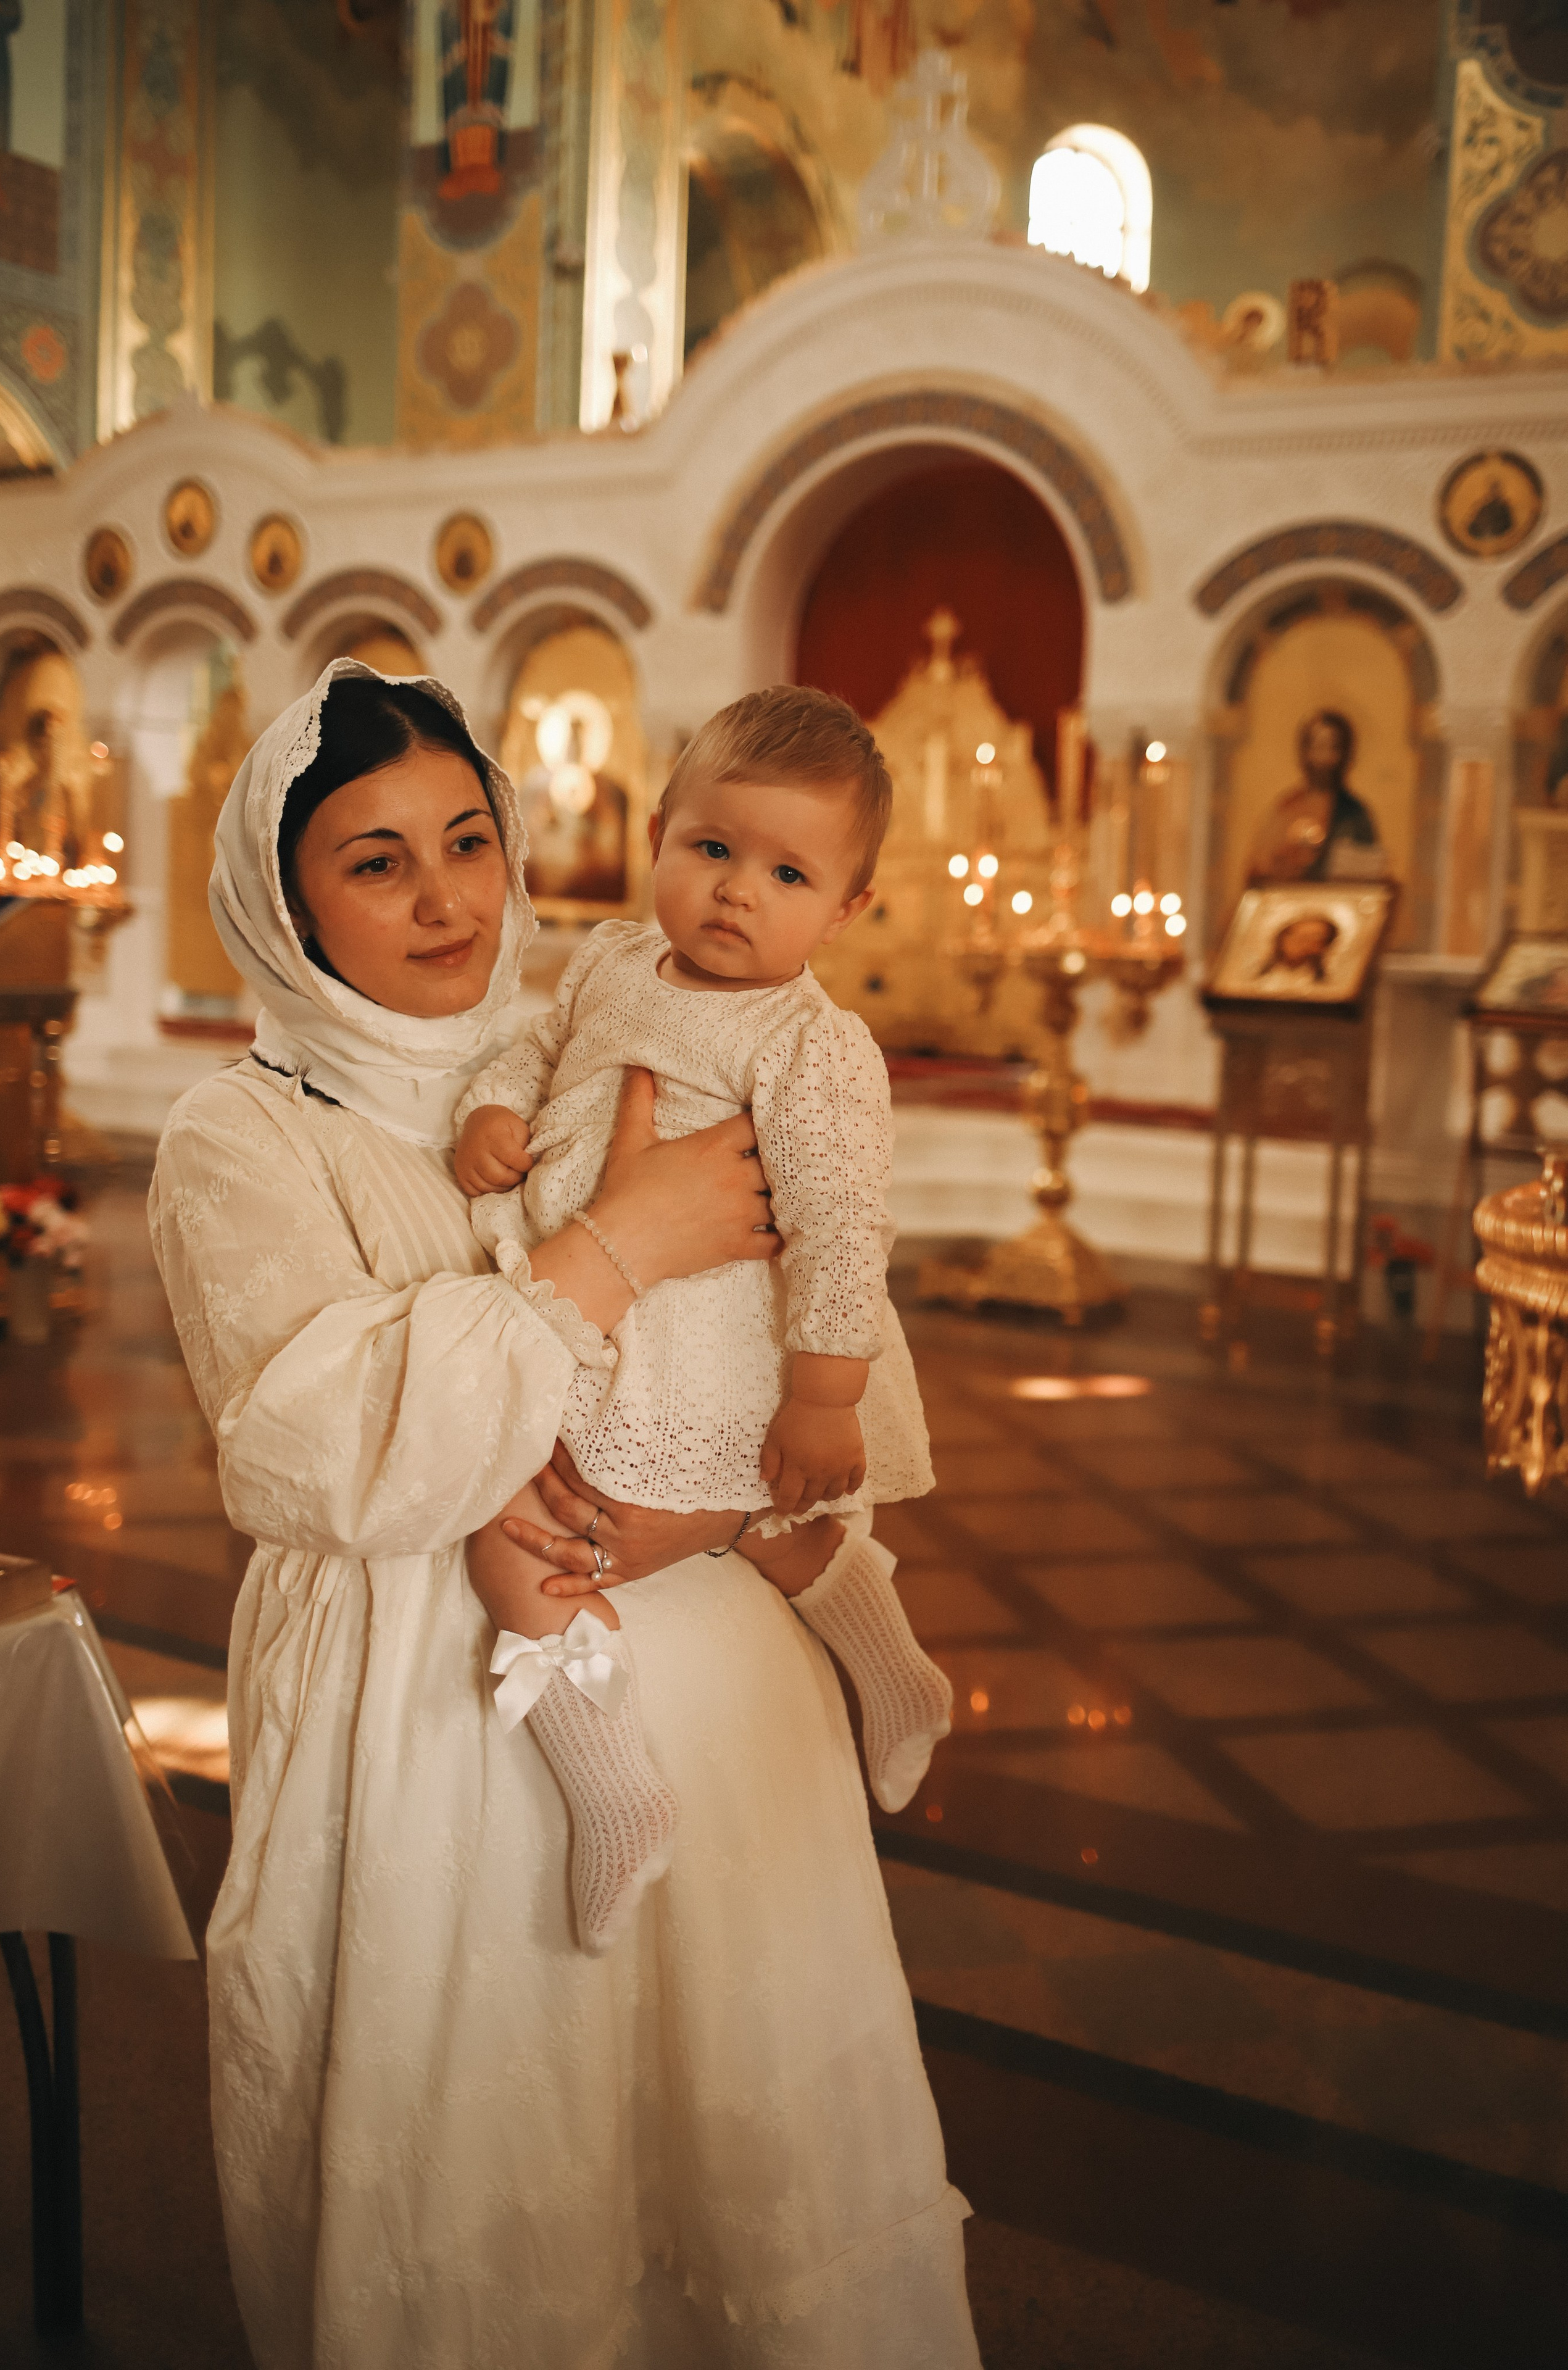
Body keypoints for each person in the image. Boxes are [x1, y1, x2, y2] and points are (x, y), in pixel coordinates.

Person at [149, 660, 979, 2370]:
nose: (448, 896)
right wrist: (615, 1245)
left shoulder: (642, 1039)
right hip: (420, 1717)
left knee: (734, 2134)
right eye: (376, 862)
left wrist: (712, 1507)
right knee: (500, 2154)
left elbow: (820, 1315)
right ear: (283, 892)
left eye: (468, 837)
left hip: (712, 1675)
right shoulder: (243, 1133)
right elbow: (309, 1445)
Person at [454, 688, 953, 1953]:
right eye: (712, 849)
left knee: (644, 1531)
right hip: (589, 1306)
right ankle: (629, 1771)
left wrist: (822, 1394)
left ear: (845, 910)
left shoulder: (812, 1046)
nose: (736, 891)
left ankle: (860, 1677)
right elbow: (540, 1038)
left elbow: (843, 1226)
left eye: (786, 872)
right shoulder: (615, 958)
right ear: (658, 834)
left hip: (721, 1347)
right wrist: (499, 1112)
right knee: (535, 1530)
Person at [1246, 709, 1387, 886]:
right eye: (1317, 746)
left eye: (1332, 747)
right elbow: (1261, 865)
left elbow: (1368, 870)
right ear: (1305, 751)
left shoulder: (1354, 813)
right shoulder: (1287, 808)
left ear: (1344, 754)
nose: (1323, 758)